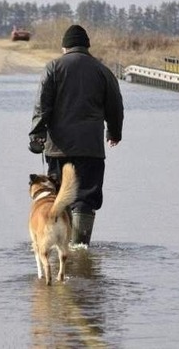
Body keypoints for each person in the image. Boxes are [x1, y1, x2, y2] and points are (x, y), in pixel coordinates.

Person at [29, 24, 124, 246]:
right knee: (86, 197)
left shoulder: (53, 68)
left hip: (57, 148)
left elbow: (42, 105)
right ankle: (80, 247)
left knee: (60, 195)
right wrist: (114, 133)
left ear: (64, 47)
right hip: (91, 148)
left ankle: (62, 245)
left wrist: (37, 134)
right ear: (87, 46)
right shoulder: (102, 71)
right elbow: (115, 106)